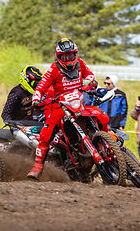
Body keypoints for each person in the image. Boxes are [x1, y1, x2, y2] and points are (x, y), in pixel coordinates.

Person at [27, 38, 109, 180]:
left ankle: (106, 143)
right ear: (59, 57)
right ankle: (38, 167)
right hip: (59, 106)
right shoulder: (53, 69)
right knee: (46, 134)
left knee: (101, 115)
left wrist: (88, 82)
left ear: (75, 54)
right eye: (65, 56)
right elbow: (41, 87)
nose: (69, 59)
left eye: (71, 55)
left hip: (78, 102)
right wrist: (36, 98)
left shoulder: (80, 63)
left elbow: (89, 75)